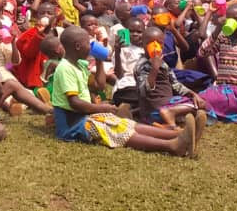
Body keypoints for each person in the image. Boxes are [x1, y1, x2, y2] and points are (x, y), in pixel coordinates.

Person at [51, 26, 194, 156]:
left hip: (84, 117)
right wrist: (100, 108)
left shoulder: (80, 64)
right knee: (114, 130)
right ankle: (171, 145)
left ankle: (176, 134)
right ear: (77, 46)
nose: (91, 46)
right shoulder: (65, 68)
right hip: (72, 125)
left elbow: (99, 85)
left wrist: (99, 60)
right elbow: (74, 102)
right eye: (88, 43)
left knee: (124, 123)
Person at [134, 27, 207, 137]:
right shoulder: (141, 65)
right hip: (154, 110)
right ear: (142, 45)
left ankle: (171, 127)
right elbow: (144, 91)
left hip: (165, 105)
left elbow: (175, 84)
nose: (156, 47)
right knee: (192, 106)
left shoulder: (163, 63)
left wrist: (193, 94)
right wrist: (154, 69)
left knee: (200, 102)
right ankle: (173, 122)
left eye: (160, 43)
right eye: (151, 43)